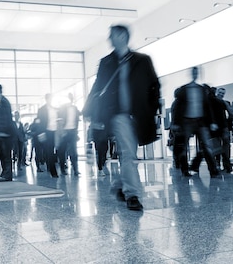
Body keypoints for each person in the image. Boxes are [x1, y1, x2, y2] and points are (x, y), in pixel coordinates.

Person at [83, 24, 161, 211]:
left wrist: (152, 109)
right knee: (128, 154)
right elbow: (98, 86)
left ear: (121, 36)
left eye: (112, 35)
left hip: (139, 115)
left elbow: (154, 86)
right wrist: (88, 110)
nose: (109, 39)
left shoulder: (142, 60)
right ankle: (132, 194)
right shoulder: (107, 62)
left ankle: (119, 185)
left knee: (129, 154)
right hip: (118, 115)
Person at [172, 67, 221, 178]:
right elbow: (178, 108)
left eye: (196, 72)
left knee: (207, 145)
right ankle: (185, 170)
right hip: (187, 121)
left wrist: (212, 122)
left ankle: (212, 170)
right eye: (193, 72)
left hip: (200, 121)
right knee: (184, 146)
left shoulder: (201, 89)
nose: (195, 74)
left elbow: (207, 107)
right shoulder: (184, 90)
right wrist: (176, 122)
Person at [214, 87, 233, 172]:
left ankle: (224, 163)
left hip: (223, 127)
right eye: (220, 93)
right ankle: (221, 163)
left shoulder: (224, 103)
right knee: (221, 146)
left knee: (224, 145)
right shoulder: (222, 103)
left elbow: (231, 114)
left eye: (222, 93)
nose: (221, 94)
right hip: (219, 127)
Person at [0, 84, 15, 182]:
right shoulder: (3, 102)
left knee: (6, 155)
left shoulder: (3, 102)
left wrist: (2, 131)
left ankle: (8, 175)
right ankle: (5, 173)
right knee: (4, 154)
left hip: (6, 133)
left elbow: (5, 119)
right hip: (5, 133)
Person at [35, 93, 60, 178]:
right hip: (47, 132)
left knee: (53, 151)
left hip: (55, 132)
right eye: (49, 98)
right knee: (49, 151)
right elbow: (39, 123)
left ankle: (50, 167)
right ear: (46, 99)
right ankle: (53, 171)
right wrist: (41, 133)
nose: (50, 100)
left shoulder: (55, 109)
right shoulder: (41, 110)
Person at [58, 93, 80, 176]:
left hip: (73, 131)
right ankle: (62, 169)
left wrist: (76, 130)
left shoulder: (75, 108)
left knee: (74, 151)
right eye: (70, 97)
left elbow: (78, 118)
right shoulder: (63, 108)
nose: (71, 98)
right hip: (65, 131)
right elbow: (59, 119)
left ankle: (76, 170)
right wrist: (62, 131)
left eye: (72, 97)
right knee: (62, 151)